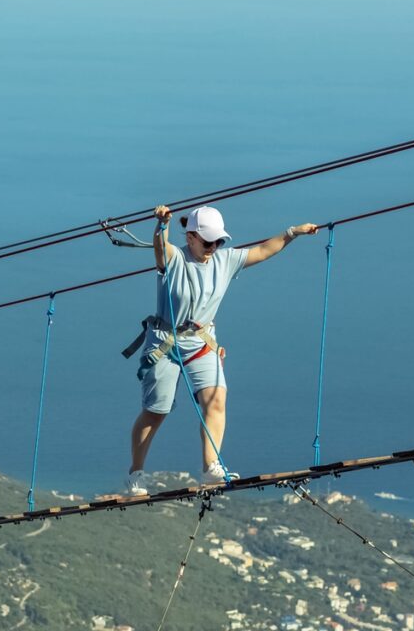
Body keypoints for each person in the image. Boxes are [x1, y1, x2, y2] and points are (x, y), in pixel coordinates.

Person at [124, 204, 318, 495]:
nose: (214, 246)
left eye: (218, 241)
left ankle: (210, 468)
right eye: (208, 241)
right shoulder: (174, 258)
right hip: (165, 342)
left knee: (216, 400)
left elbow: (264, 250)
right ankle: (135, 473)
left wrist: (294, 232)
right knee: (155, 412)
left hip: (201, 340)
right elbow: (160, 247)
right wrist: (161, 225)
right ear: (190, 237)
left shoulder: (225, 260)